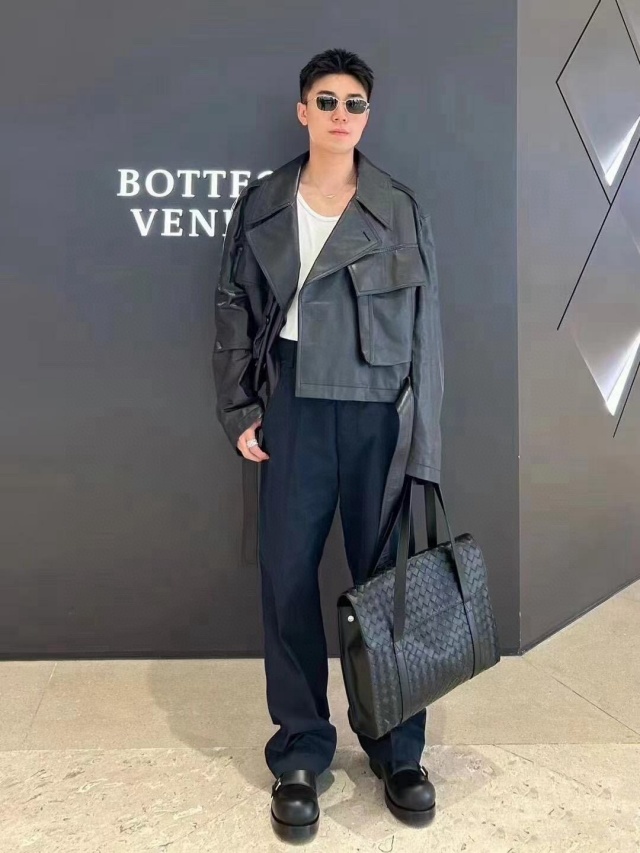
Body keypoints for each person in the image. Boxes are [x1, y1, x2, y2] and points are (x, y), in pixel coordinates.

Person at [213, 47, 444, 843]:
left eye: (355, 103)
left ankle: (398, 750)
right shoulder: (264, 203)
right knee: (287, 579)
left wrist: (426, 440)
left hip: (380, 412)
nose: (341, 114)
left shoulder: (398, 207)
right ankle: (301, 749)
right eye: (327, 100)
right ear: (302, 111)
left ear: (367, 117)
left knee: (389, 586)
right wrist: (240, 407)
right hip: (294, 407)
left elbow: (427, 333)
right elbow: (233, 307)